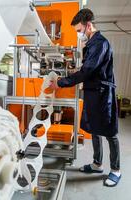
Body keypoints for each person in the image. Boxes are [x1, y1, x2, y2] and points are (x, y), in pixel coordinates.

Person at [49, 8, 121, 187]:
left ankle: (116, 170)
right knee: (95, 129)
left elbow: (88, 70)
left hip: (104, 94)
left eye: (79, 31)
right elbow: (87, 70)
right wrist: (72, 74)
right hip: (92, 92)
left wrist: (61, 83)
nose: (79, 34)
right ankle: (97, 164)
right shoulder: (91, 44)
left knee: (110, 133)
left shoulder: (99, 43)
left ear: (88, 25)